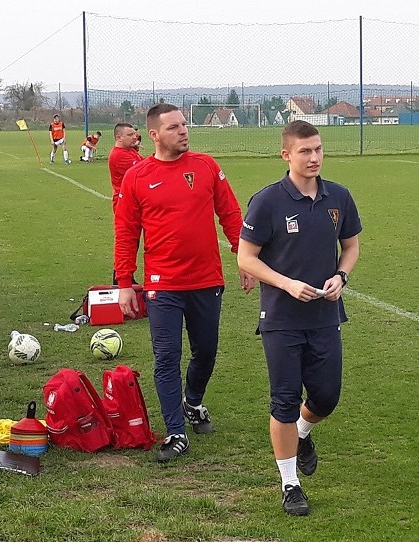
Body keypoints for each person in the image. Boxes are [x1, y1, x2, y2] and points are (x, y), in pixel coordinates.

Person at [114, 103, 257, 463]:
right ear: (154, 135)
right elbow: (126, 232)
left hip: (206, 279)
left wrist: (244, 257)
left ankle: (193, 402)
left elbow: (230, 213)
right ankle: (175, 432)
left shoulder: (205, 166)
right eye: (174, 127)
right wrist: (124, 282)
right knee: (166, 358)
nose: (183, 131)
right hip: (162, 285)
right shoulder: (137, 176)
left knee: (206, 350)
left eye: (184, 125)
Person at [237, 120, 362, 516]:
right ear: (286, 155)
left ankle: (303, 434)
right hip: (281, 319)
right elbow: (246, 258)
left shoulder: (338, 197)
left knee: (327, 397)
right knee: (284, 402)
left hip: (326, 316)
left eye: (318, 150)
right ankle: (290, 484)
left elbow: (352, 246)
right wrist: (287, 284)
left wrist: (341, 275)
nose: (314, 158)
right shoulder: (267, 201)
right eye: (305, 151)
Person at [108, 122, 144, 285]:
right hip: (125, 204)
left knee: (133, 242)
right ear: (118, 137)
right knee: (128, 241)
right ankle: (120, 277)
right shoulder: (120, 155)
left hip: (134, 202)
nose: (134, 137)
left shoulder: (129, 152)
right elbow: (144, 170)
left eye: (134, 134)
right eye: (130, 135)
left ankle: (124, 276)